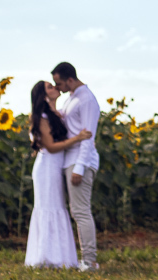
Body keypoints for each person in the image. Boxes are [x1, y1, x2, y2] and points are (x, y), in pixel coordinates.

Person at [24, 80, 91, 269]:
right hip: (47, 167)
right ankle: (46, 257)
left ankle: (59, 257)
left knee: (57, 207)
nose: (55, 88)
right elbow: (52, 147)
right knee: (49, 207)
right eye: (50, 87)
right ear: (44, 95)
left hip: (55, 166)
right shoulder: (42, 117)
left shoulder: (55, 114)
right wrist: (78, 138)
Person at [52, 61, 101, 272]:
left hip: (79, 161)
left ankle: (89, 261)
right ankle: (82, 258)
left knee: (81, 212)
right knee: (76, 211)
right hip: (68, 160)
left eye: (59, 83)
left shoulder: (87, 100)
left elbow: (88, 136)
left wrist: (80, 167)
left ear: (70, 80)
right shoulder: (71, 98)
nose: (58, 88)